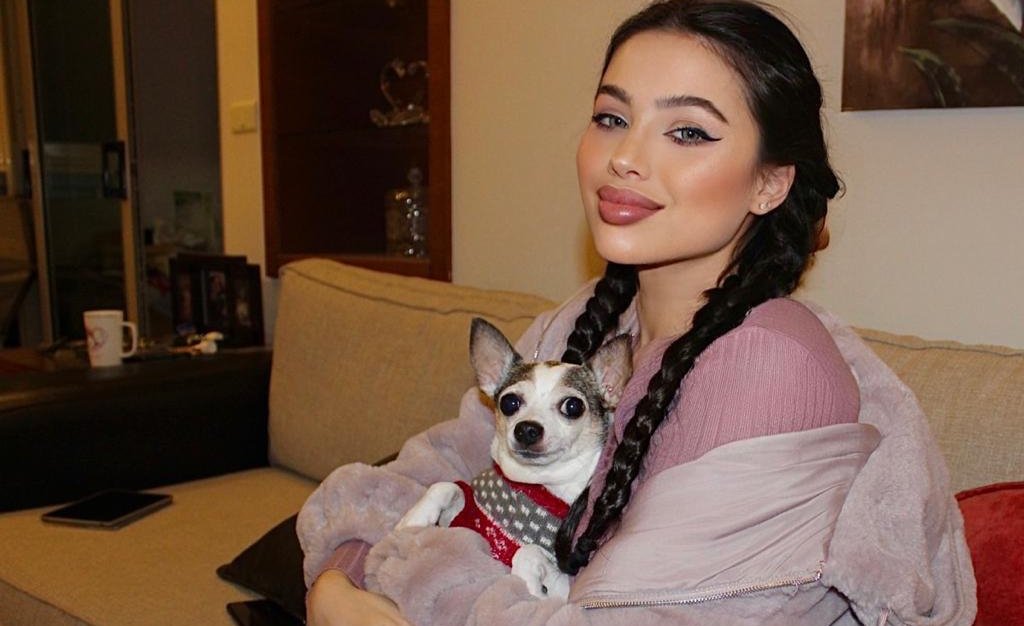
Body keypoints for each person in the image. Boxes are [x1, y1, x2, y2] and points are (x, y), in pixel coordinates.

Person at [298, 2, 977, 625]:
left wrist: (414, 583)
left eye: (687, 132)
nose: (624, 158)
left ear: (769, 183)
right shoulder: (583, 322)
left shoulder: (771, 366)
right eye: (612, 119)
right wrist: (338, 579)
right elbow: (446, 464)